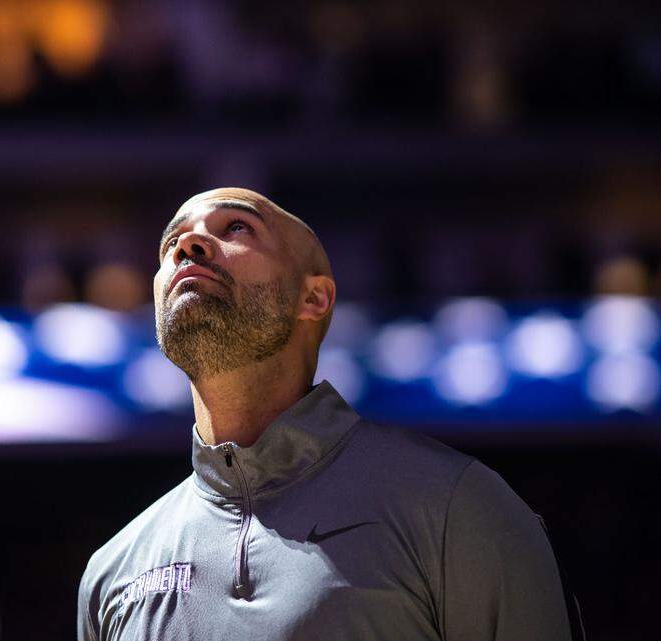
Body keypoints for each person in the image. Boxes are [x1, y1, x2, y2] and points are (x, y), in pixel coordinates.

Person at [77, 188, 583, 641]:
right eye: (172, 245)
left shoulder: (457, 506)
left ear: (313, 298)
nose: (190, 246)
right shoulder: (112, 574)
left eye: (236, 227)